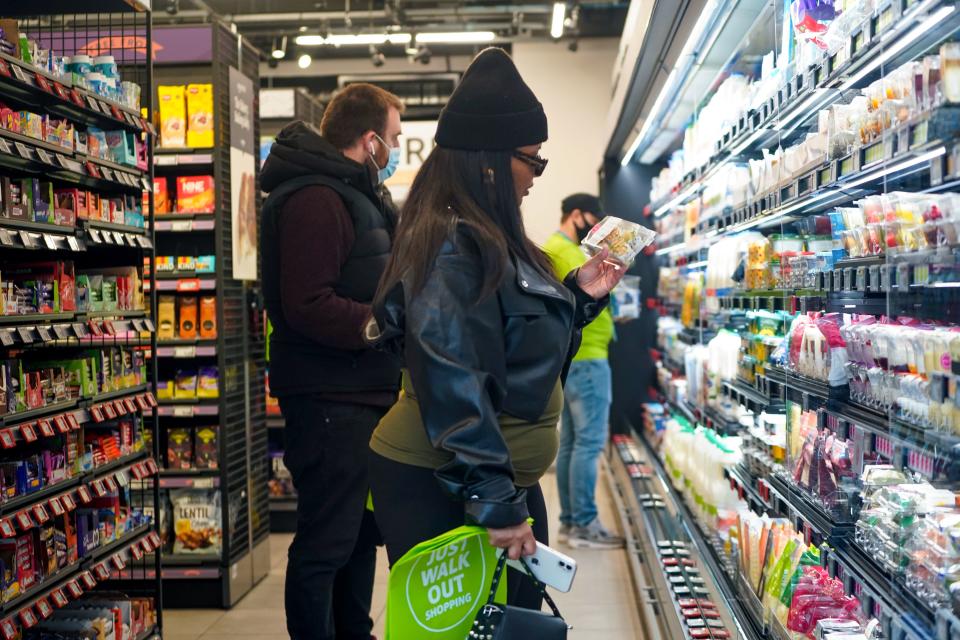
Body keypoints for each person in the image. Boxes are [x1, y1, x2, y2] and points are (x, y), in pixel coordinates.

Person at [365, 47, 625, 610]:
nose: (536, 175)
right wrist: (494, 500)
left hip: (490, 478)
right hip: (449, 481)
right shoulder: (453, 244)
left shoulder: (485, 234)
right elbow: (451, 376)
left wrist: (577, 299)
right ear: (489, 160)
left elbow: (511, 352)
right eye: (532, 159)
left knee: (510, 620)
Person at [259, 83, 404, 640]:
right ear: (369, 141)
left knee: (359, 536)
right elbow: (307, 303)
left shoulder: (353, 194)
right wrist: (382, 323)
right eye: (391, 139)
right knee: (326, 543)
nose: (392, 150)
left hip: (360, 395)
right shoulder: (316, 199)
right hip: (329, 400)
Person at [543, 194, 625, 549]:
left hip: (575, 358)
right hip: (587, 357)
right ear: (575, 215)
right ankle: (585, 525)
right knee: (589, 444)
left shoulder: (553, 248)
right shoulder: (567, 253)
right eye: (592, 221)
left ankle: (570, 523)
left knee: (573, 444)